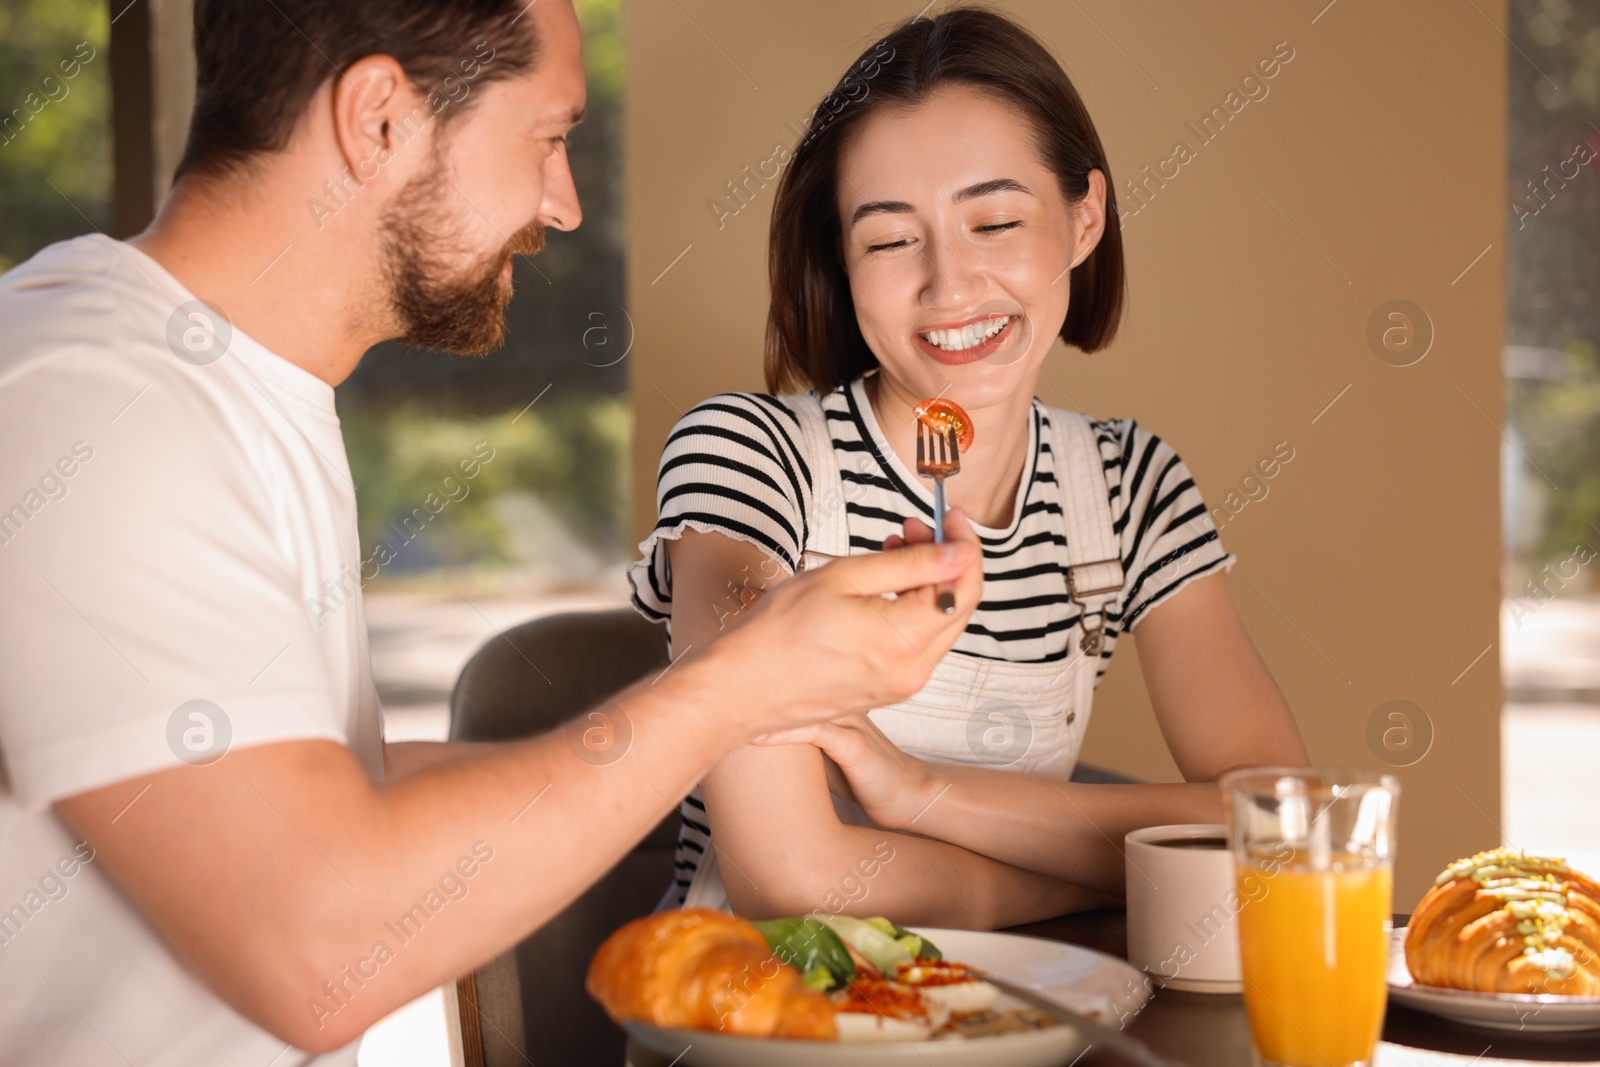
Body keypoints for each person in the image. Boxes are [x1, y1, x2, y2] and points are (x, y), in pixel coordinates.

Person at [0, 2, 986, 1063]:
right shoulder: (96, 403)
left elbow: (321, 795)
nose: (562, 205)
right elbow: (320, 942)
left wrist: (763, 669)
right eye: (549, 138)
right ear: (378, 120)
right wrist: (738, 686)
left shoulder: (224, 387)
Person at [628, 7, 1310, 926]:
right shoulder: (745, 458)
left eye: (993, 221)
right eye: (889, 238)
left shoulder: (1131, 489)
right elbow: (791, 881)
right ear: (842, 258)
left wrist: (918, 793)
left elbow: (1280, 826)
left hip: (1021, 1017)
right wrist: (1089, 881)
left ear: (1084, 219)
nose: (949, 287)